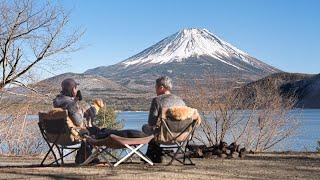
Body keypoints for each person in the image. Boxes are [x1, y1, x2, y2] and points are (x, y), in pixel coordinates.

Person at [53, 78, 105, 164]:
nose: (77, 90)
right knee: (95, 131)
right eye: (76, 88)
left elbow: (69, 113)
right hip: (71, 135)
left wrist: (75, 100)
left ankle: (85, 156)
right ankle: (83, 157)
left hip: (56, 136)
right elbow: (79, 122)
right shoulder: (70, 104)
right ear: (73, 89)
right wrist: (85, 111)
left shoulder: (57, 102)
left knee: (90, 131)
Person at [142, 76, 186, 163]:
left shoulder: (157, 100)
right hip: (182, 136)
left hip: (164, 137)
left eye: (156, 87)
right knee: (156, 130)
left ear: (161, 87)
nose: (155, 90)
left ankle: (153, 155)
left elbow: (151, 123)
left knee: (145, 127)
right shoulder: (181, 101)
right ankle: (154, 155)